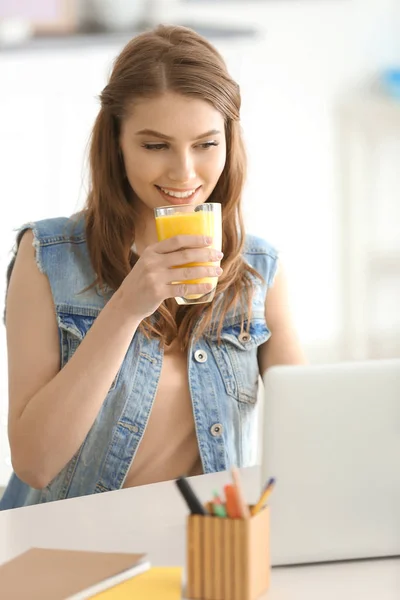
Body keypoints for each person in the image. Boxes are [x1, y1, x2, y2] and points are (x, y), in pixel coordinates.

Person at [0, 25, 306, 511]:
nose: (184, 172)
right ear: (117, 144)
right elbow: (34, 463)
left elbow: (308, 434)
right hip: (64, 546)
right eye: (155, 146)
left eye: (206, 144)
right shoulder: (47, 259)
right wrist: (126, 307)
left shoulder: (258, 271)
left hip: (203, 543)